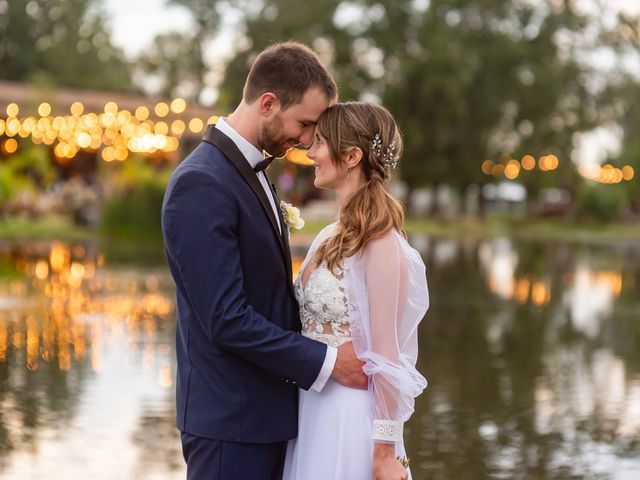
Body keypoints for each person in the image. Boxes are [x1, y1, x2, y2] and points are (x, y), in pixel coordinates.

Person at [161, 42, 367, 480]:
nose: (309, 139)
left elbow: (270, 298)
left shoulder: (252, 173)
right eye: (305, 123)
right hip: (229, 426)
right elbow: (226, 317)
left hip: (270, 418)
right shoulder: (201, 182)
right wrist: (330, 362)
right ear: (269, 104)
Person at [282, 102, 429, 480]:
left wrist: (384, 452)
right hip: (312, 405)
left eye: (319, 144)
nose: (310, 153)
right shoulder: (328, 235)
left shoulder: (381, 244)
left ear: (351, 156)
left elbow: (387, 357)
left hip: (349, 418)